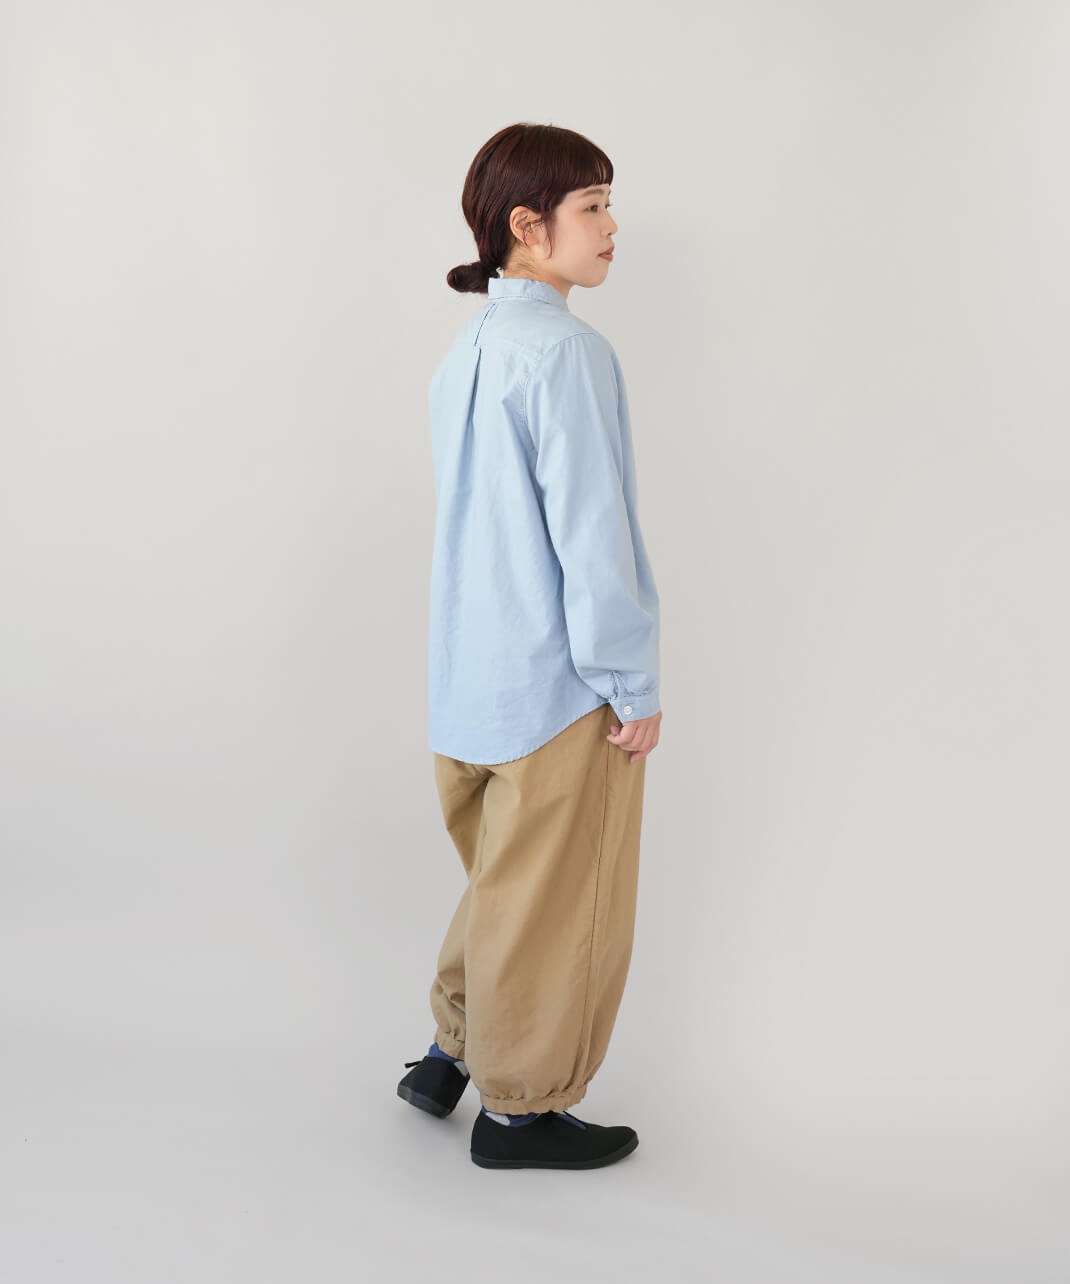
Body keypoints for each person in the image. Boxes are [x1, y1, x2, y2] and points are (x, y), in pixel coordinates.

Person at [396, 122, 661, 1170]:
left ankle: (447, 1055)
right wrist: (629, 683)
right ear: (527, 225)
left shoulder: (464, 351)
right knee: (556, 905)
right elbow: (592, 540)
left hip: (467, 685)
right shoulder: (567, 355)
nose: (611, 226)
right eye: (592, 205)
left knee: (506, 885)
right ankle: (520, 1113)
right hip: (556, 687)